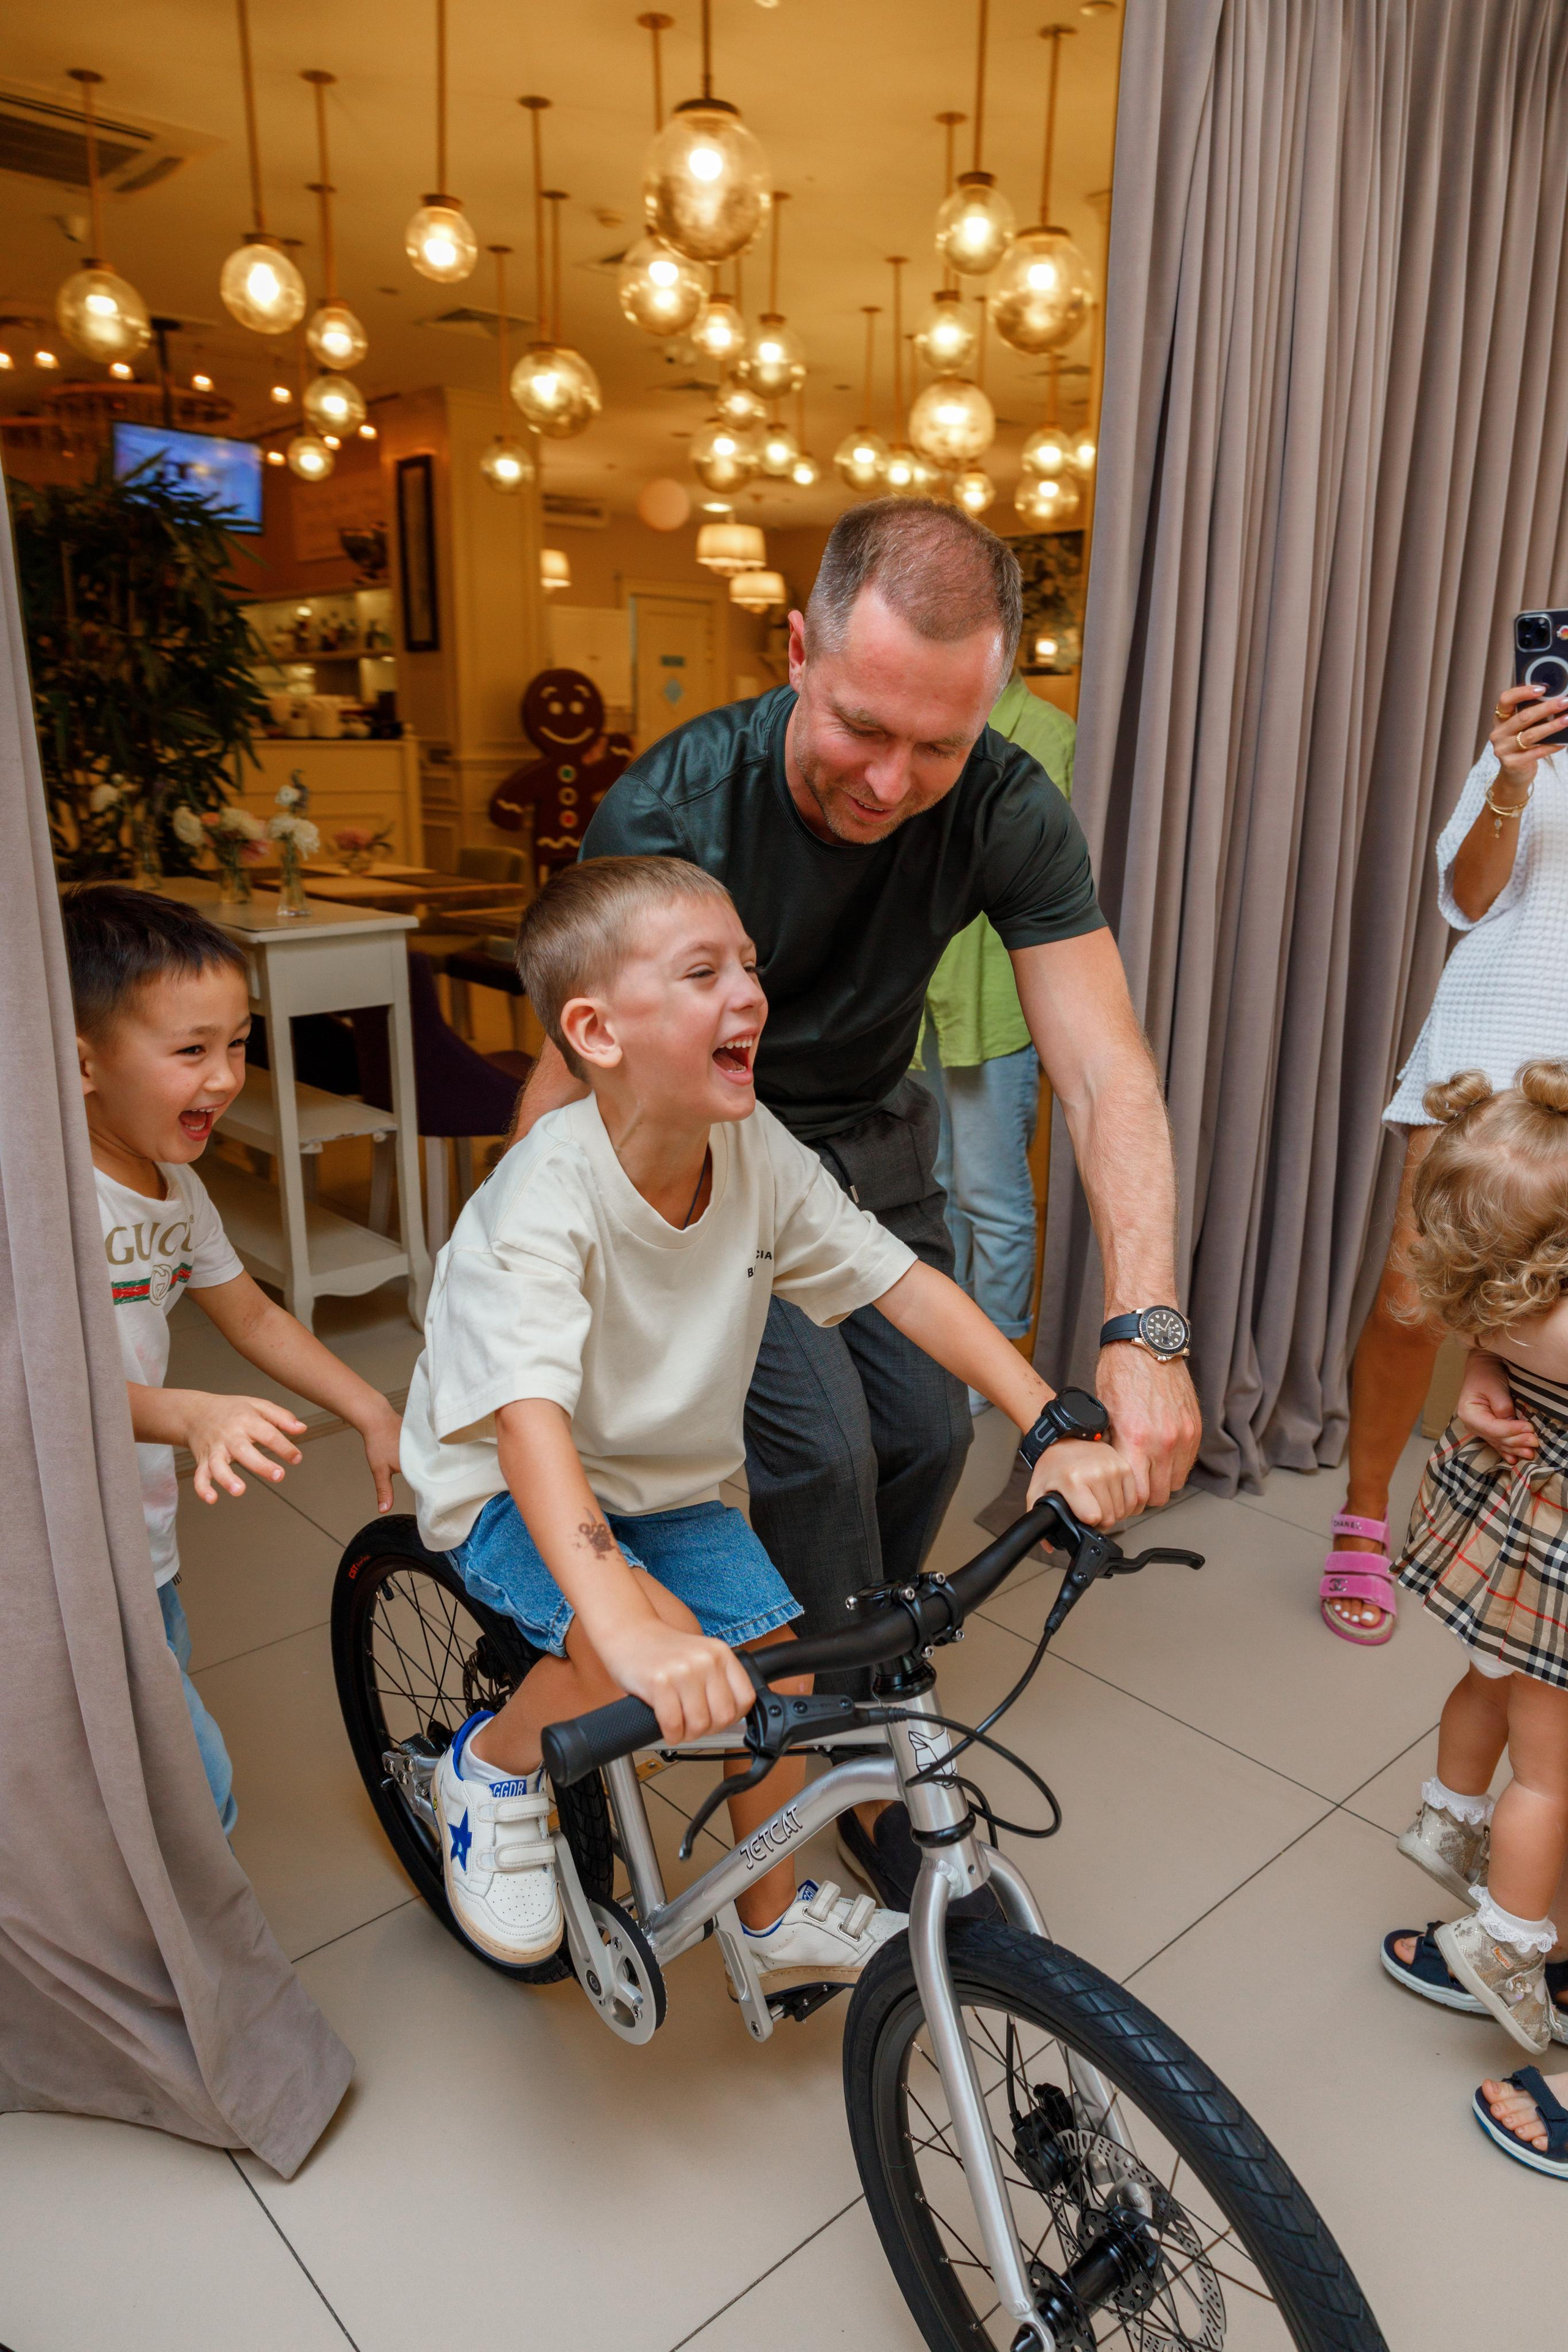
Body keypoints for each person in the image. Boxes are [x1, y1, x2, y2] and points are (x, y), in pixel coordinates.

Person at [509, 500, 1201, 1913]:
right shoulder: (674, 808)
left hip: (868, 1137)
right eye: (859, 727)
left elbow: (1099, 1058)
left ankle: (858, 1673)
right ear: (796, 653)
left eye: (936, 743)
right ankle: (833, 1745)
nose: (891, 781)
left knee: (925, 1422)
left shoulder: (1005, 804)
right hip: (703, 1151)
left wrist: (1144, 1321)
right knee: (817, 1456)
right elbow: (567, 1077)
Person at [399, 856, 1139, 1977]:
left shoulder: (751, 1149)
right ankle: (491, 1770)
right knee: (616, 1649)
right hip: (510, 1484)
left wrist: (1048, 1425)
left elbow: (903, 1282)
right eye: (704, 972)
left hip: (664, 1482)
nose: (748, 992)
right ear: (597, 1033)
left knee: (780, 1664)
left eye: (748, 964)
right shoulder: (541, 1207)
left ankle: (770, 1916)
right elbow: (530, 1431)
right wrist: (633, 1622)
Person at [64, 886, 404, 1832]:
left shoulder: (175, 1186)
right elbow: (38, 1385)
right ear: (81, 1060)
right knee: (190, 1795)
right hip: (58, 1554)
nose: (223, 1078)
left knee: (158, 1766)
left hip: (141, 1539)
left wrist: (370, 1406)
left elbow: (252, 1317)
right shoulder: (48, 1196)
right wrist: (187, 1413)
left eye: (238, 1045)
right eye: (190, 1051)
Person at [1322, 678, 1568, 1642]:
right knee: (1413, 1298)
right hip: (1488, 1036)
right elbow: (1467, 900)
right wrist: (1511, 778)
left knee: (1548, 1302)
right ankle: (1365, 1514)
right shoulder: (1530, 743)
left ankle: (1520, 1534)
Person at [1362, 1064, 1568, 2171]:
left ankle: (1474, 1865)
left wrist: (1486, 1345)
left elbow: (1500, 1308)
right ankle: (1523, 1938)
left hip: (1516, 1545)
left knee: (1498, 1702)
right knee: (1554, 1769)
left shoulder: (1500, 1310)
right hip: (1554, 1558)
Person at [912, 673, 1076, 1403]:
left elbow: (1042, 873)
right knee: (936, 1184)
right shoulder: (925, 718)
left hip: (995, 998)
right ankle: (953, 1345)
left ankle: (1001, 1355)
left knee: (992, 1193)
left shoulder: (1046, 733)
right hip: (922, 994)